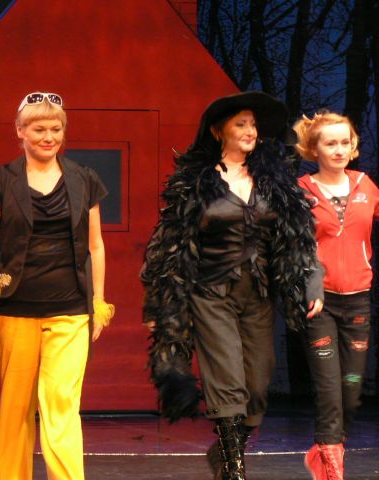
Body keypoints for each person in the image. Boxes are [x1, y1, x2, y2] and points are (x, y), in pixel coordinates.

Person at [140, 91, 324, 480]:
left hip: (258, 296)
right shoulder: (195, 183)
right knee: (227, 379)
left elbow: (299, 238)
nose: (250, 130)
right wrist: (159, 306)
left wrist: (311, 283)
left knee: (256, 385)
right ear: (217, 131)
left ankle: (224, 456)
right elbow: (166, 247)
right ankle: (236, 470)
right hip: (211, 293)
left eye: (253, 124)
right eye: (241, 123)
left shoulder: (274, 181)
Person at [0, 92, 114, 480]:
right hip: (16, 308)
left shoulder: (84, 179)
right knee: (16, 409)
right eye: (39, 129)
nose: (49, 137)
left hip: (70, 310)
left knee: (61, 404)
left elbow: (96, 245)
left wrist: (98, 301)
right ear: (20, 131)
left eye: (56, 129)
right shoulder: (0, 179)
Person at [294, 111, 377, 480]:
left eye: (345, 142)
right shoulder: (301, 191)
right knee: (328, 388)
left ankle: (323, 452)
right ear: (315, 149)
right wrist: (308, 289)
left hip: (358, 300)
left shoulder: (366, 185)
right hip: (320, 302)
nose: (340, 149)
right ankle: (331, 464)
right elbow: (295, 249)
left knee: (351, 390)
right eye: (331, 143)